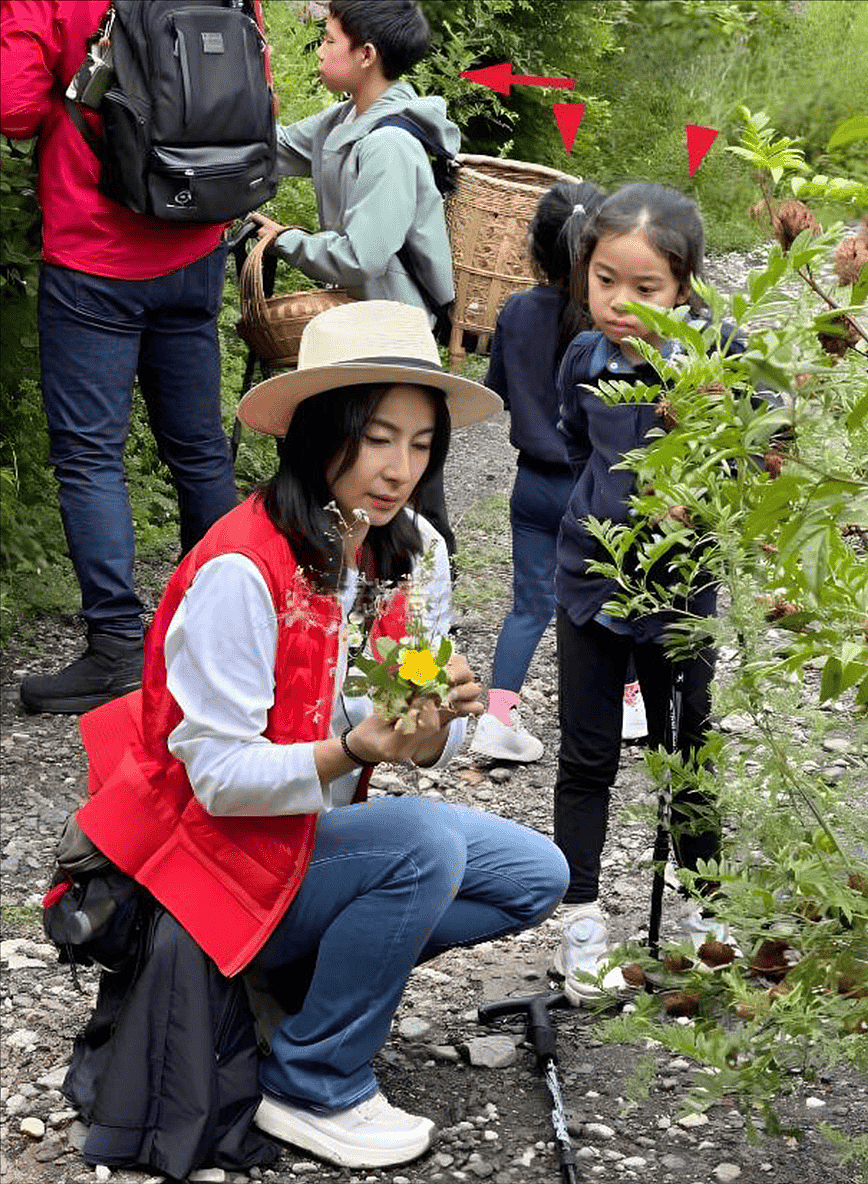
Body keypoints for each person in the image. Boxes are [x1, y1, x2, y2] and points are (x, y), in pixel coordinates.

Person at [72, 301, 570, 1170]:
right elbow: (217, 778)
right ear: (316, 432)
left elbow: (413, 742)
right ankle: (313, 1080)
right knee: (419, 843)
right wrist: (353, 752)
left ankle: (301, 985)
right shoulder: (242, 566)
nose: (399, 469)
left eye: (420, 445)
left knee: (535, 875)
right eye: (377, 437)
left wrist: (430, 729)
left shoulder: (411, 550)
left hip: (306, 840)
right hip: (203, 857)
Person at [1, 0, 248, 715]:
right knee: (199, 447)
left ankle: (116, 646)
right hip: (197, 234)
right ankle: (228, 628)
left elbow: (14, 107)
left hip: (95, 250)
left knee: (89, 457)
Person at [553, 183, 742, 1006]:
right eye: (604, 280)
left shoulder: (718, 358)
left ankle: (703, 914)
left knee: (688, 752)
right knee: (586, 753)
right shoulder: (582, 359)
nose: (620, 303)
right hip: (591, 578)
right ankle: (584, 920)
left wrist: (701, 490)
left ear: (685, 286)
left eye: (646, 288)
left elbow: (759, 463)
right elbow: (572, 442)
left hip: (680, 588)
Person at [249, 0, 457, 552]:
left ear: (366, 56)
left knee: (401, 472)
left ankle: (421, 602)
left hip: (399, 332)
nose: (319, 51)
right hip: (365, 325)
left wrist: (283, 240)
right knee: (351, 465)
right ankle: (344, 579)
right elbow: (275, 148)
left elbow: (363, 256)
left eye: (329, 42)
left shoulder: (390, 143)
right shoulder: (345, 119)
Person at [469, 181, 607, 764]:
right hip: (596, 486)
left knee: (529, 605)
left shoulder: (517, 310)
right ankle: (624, 704)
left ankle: (498, 717)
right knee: (608, 599)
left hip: (532, 485)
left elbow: (496, 392)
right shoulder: (611, 326)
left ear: (535, 252)